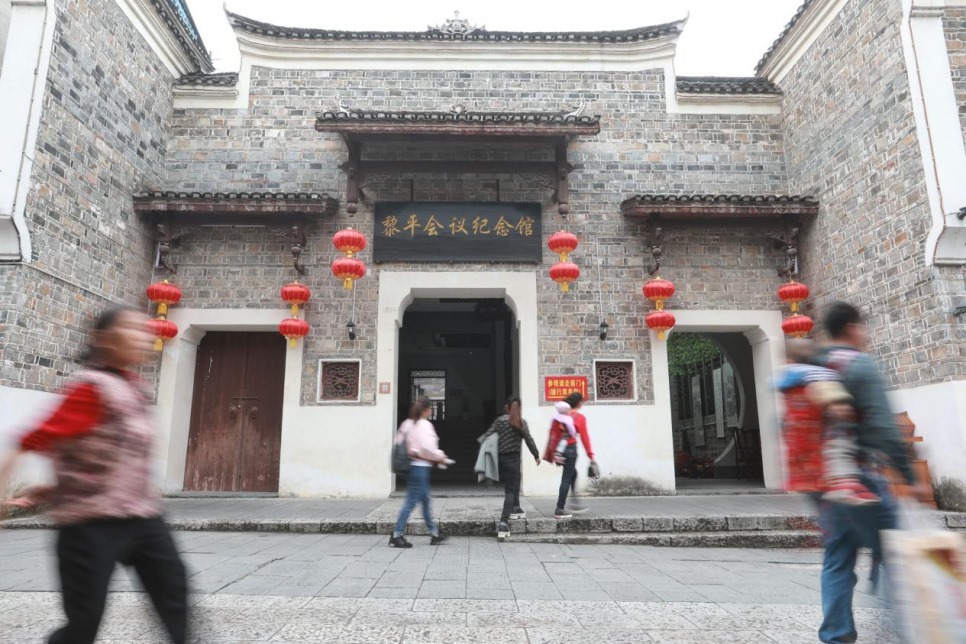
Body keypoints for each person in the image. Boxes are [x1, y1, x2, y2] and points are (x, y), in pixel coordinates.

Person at [0, 306, 189, 644]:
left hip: (143, 517)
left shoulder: (137, 388)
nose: (144, 336)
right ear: (103, 338)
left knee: (174, 596)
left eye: (144, 329)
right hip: (89, 527)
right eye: (132, 329)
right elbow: (28, 441)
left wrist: (56, 486)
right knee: (83, 624)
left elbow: (109, 456)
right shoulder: (90, 389)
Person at [809, 302, 920, 644]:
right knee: (894, 552)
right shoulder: (860, 365)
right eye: (863, 327)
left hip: (823, 481)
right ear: (852, 328)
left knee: (838, 557)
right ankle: (917, 628)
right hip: (858, 478)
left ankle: (836, 632)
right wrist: (909, 477)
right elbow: (883, 427)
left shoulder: (814, 366)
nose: (866, 335)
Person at [777, 338, 880, 505]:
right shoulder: (819, 372)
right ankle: (844, 485)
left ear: (790, 359)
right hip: (820, 425)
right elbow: (825, 390)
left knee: (804, 456)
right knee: (841, 449)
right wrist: (838, 404)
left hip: (799, 428)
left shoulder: (789, 374)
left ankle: (806, 482)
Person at [389, 395, 450, 548]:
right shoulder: (424, 425)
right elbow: (428, 448)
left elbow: (398, 443)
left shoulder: (406, 424)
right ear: (427, 409)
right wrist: (441, 457)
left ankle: (435, 533)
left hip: (411, 467)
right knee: (411, 502)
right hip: (420, 468)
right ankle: (396, 535)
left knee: (425, 500)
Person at [480, 396, 540, 539]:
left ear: (506, 407)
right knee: (510, 491)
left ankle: (516, 508)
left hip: (501, 460)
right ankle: (503, 522)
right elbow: (529, 440)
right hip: (513, 459)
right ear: (519, 408)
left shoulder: (499, 421)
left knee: (514, 482)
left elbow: (487, 436)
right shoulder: (521, 422)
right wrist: (536, 455)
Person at [543, 391, 596, 518]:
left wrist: (553, 453)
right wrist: (591, 456)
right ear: (578, 403)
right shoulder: (579, 417)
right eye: (582, 401)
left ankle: (574, 500)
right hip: (571, 449)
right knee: (566, 478)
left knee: (573, 473)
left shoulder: (558, 415)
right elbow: (585, 438)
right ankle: (560, 508)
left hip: (560, 451)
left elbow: (553, 433)